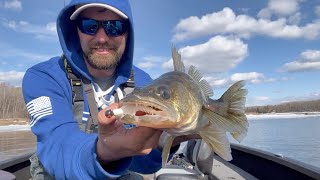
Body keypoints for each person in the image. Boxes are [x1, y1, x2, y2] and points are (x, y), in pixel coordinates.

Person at [22, 0, 197, 179]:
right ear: (75, 30)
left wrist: (163, 141)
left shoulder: (144, 85)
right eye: (89, 25)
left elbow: (141, 163)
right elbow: (57, 147)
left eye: (114, 27)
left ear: (128, 32)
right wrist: (103, 151)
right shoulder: (44, 77)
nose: (102, 38)